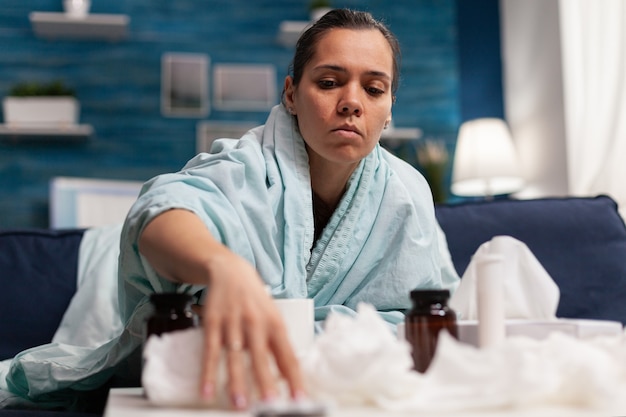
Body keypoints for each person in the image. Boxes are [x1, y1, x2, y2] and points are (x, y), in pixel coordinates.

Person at [0, 8, 458, 412]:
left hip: (355, 389)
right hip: (224, 378)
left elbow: (426, 314)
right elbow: (160, 214)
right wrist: (223, 268)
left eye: (374, 89)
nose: (352, 103)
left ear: (390, 106)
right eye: (329, 82)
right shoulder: (245, 165)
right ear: (292, 94)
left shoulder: (406, 189)